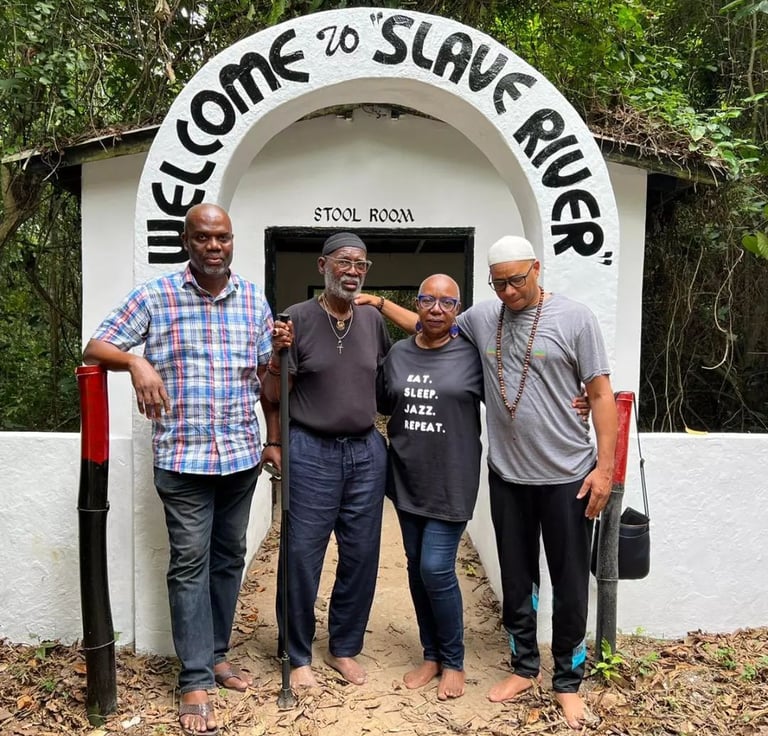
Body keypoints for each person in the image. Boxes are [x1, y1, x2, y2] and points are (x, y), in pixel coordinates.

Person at [358, 235, 617, 729]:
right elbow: (430, 325)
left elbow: (600, 393)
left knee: (568, 582)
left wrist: (604, 469)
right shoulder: (481, 318)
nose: (508, 291)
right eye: (499, 283)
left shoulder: (576, 318)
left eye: (517, 280)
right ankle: (524, 666)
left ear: (537, 269)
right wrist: (381, 302)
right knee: (518, 581)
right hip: (508, 476)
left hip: (568, 476)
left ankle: (567, 681)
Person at [83, 203, 280, 736]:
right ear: (186, 242)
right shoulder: (156, 295)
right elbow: (96, 344)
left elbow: (265, 374)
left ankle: (216, 654)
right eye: (203, 238)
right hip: (184, 458)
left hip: (240, 455)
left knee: (227, 559)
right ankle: (194, 678)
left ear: (232, 241)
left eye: (223, 238)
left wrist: (274, 434)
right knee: (189, 564)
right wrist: (136, 361)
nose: (214, 246)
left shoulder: (252, 299)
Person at [265, 232, 391, 689]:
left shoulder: (373, 322)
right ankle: (297, 654)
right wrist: (278, 356)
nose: (353, 270)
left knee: (361, 554)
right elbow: (274, 395)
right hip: (311, 451)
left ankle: (343, 647)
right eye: (344, 262)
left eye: (361, 263)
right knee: (301, 554)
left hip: (364, 450)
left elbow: (384, 383)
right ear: (323, 266)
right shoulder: (295, 319)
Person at [377, 274, 483, 700]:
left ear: (458, 310)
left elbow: (517, 388)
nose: (436, 308)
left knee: (436, 568)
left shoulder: (474, 356)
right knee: (416, 567)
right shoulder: (398, 353)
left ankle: (454, 660)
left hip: (453, 480)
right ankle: (431, 654)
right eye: (427, 300)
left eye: (447, 302)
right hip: (406, 478)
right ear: (417, 305)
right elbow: (384, 404)